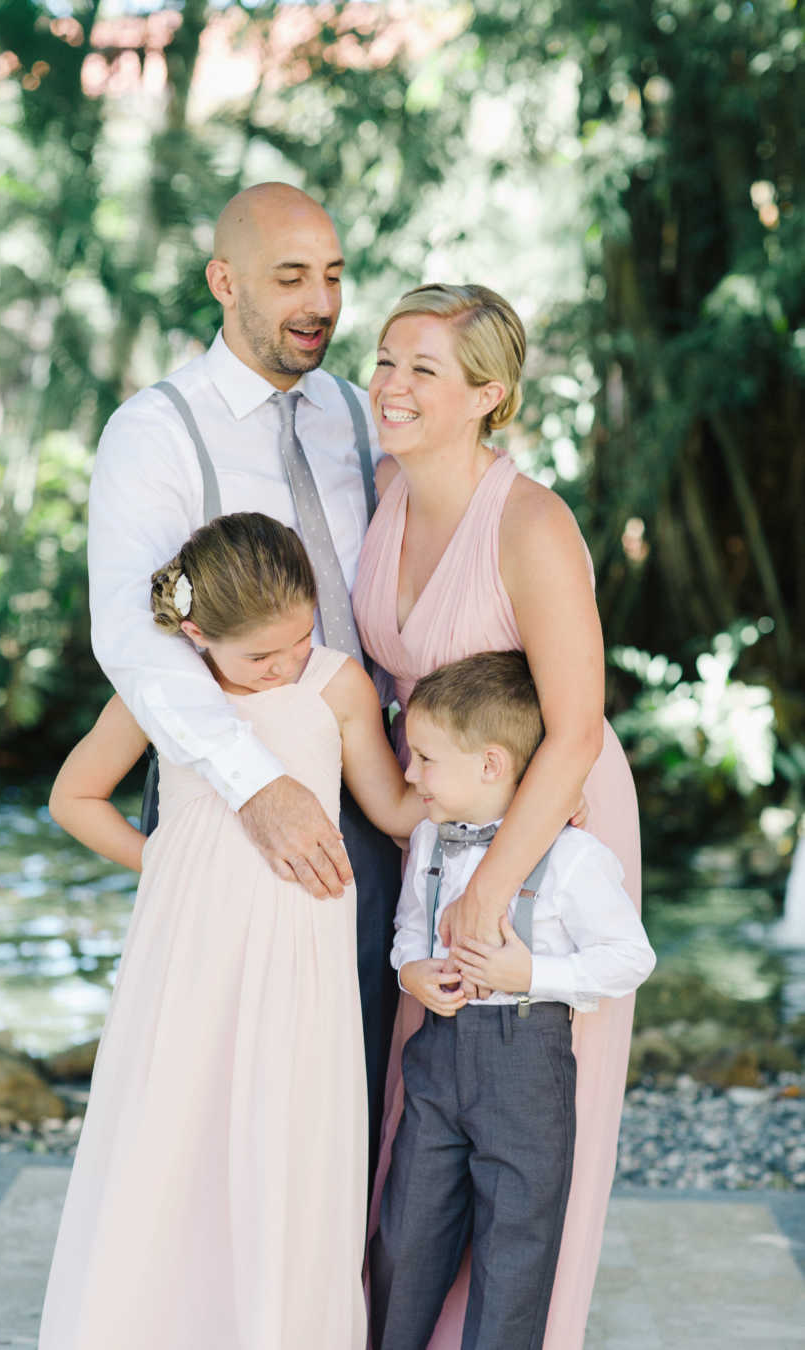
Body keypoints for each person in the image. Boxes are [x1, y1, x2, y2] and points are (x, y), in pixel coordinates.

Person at [39, 513, 425, 1350]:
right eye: (260, 657)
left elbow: (393, 807)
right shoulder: (166, 688)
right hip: (184, 956)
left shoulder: (335, 684)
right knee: (170, 1133)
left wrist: (492, 789)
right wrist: (169, 862)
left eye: (298, 638)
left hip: (299, 961)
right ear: (195, 631)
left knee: (283, 1142)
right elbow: (73, 797)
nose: (285, 664)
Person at [87, 181, 402, 1181]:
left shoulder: (362, 415)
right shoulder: (155, 431)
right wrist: (252, 786)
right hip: (226, 790)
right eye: (291, 277)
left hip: (373, 777)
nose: (322, 300)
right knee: (216, 1091)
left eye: (336, 276)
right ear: (225, 282)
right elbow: (134, 642)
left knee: (351, 1078)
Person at [352, 283, 643, 1349]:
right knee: (417, 1109)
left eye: (424, 369)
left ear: (490, 394)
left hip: (545, 820)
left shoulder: (530, 520)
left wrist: (491, 884)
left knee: (526, 1123)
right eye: (386, 360)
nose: (391, 385)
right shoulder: (382, 486)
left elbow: (573, 729)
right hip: (428, 804)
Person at [368, 651, 655, 1350]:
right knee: (405, 1240)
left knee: (514, 1256)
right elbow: (409, 929)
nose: (409, 775)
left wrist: (531, 975)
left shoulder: (572, 858)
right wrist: (413, 974)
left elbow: (632, 958)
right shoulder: (431, 841)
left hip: (525, 1070)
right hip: (436, 1063)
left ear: (492, 764)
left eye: (426, 759)